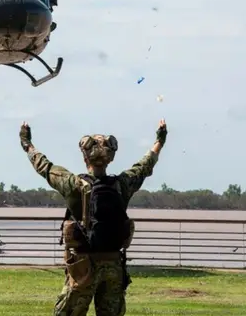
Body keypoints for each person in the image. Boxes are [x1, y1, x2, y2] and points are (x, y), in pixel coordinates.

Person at [19, 119, 168, 316]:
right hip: (113, 267)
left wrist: (26, 142)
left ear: (84, 158)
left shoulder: (72, 184)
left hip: (83, 268)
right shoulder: (122, 184)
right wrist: (160, 139)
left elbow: (44, 166)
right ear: (110, 159)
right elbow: (145, 165)